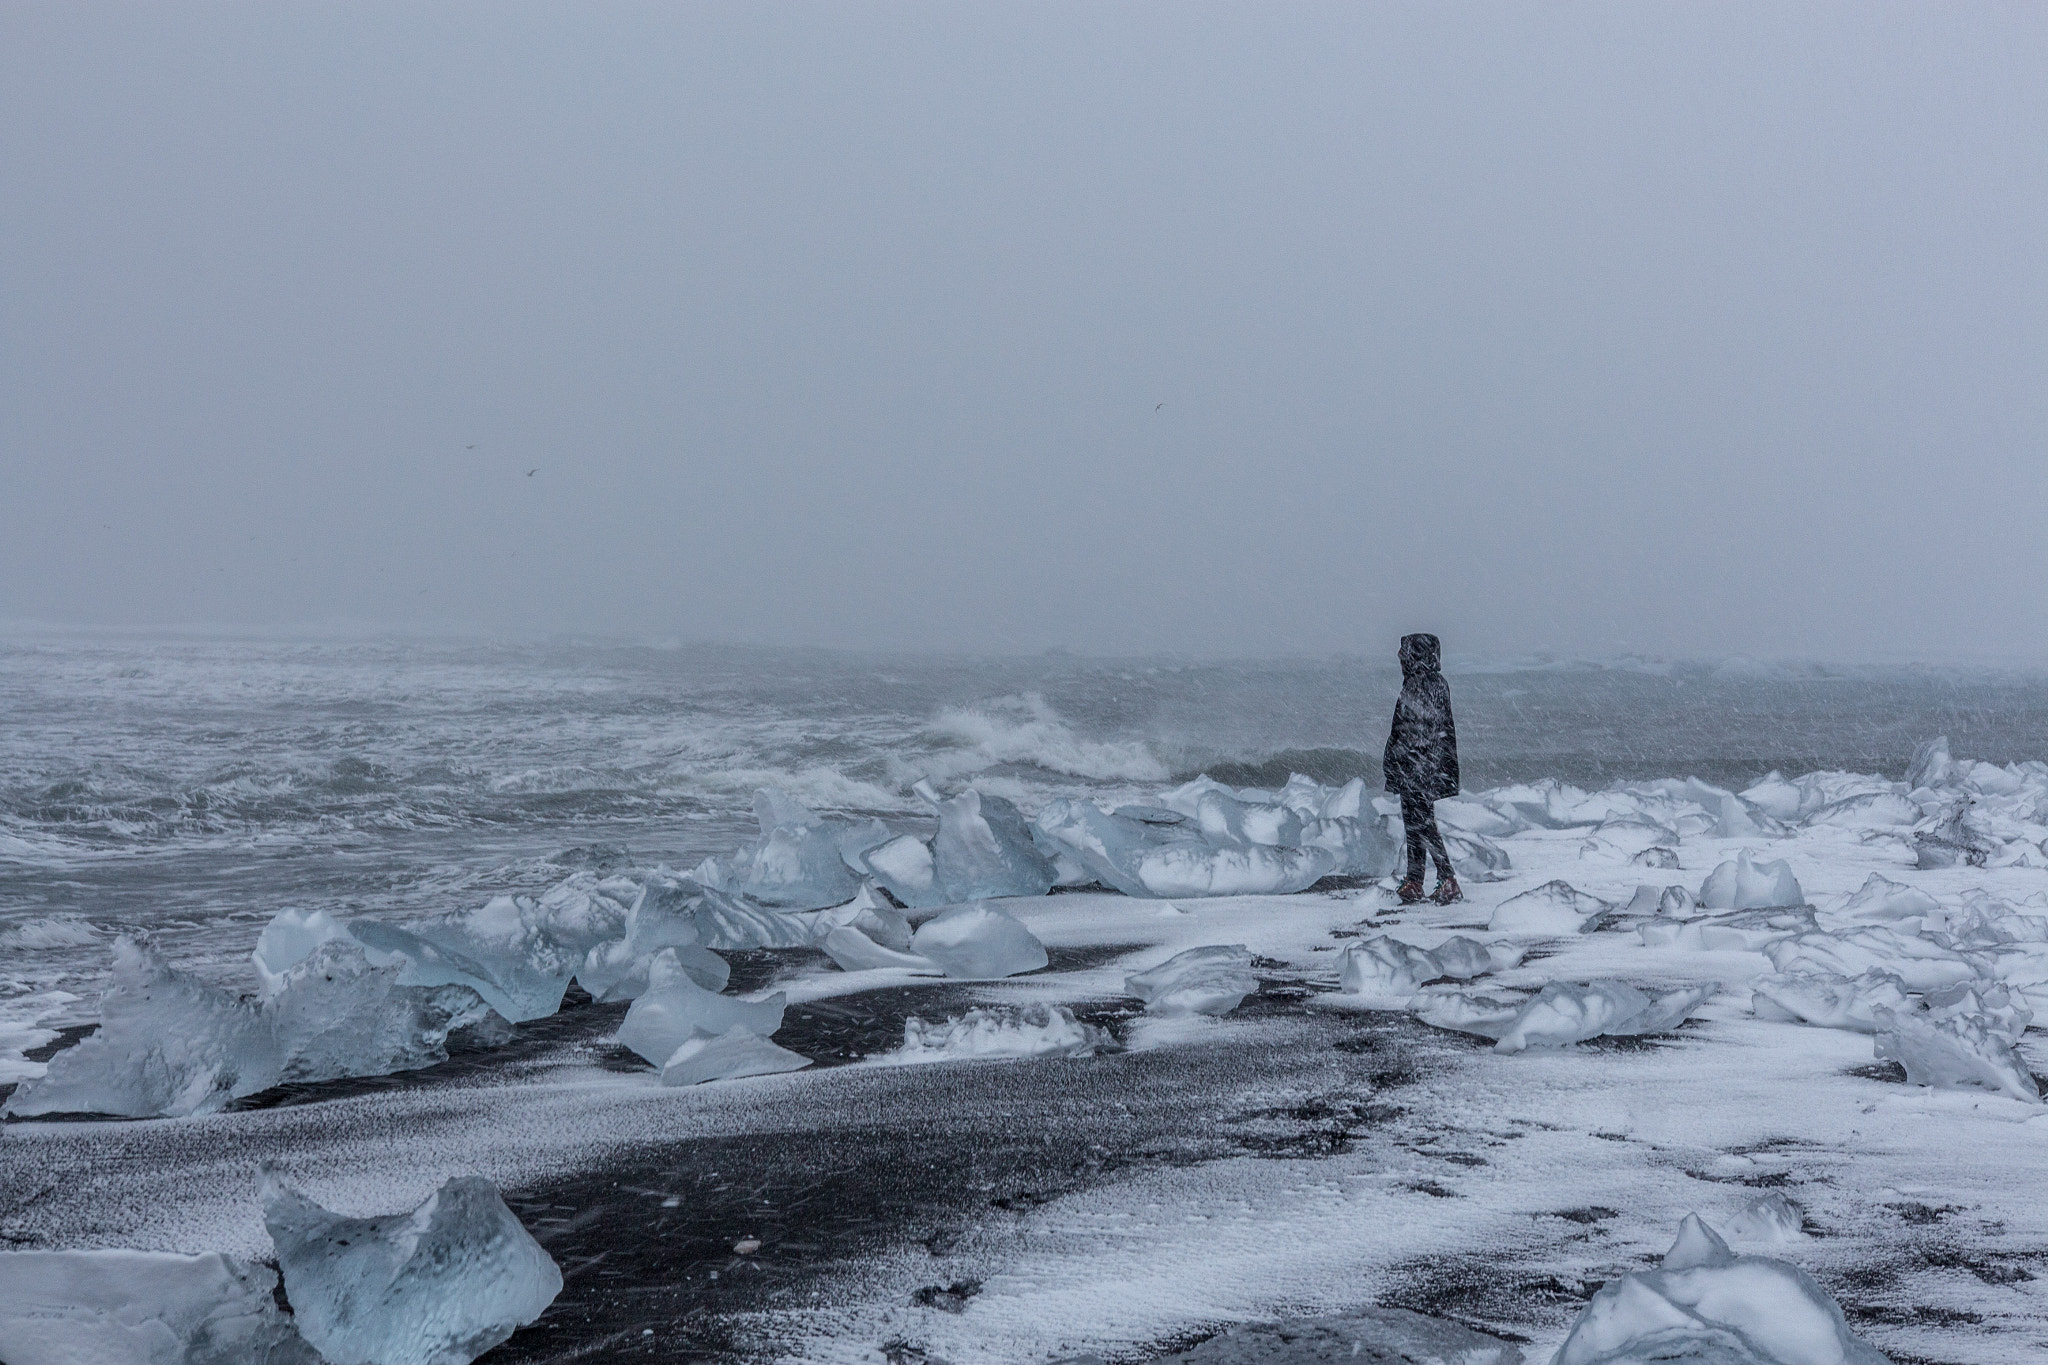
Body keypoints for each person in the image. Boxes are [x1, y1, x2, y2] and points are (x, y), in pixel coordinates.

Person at [1382, 633, 1462, 905]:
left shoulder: (1421, 685)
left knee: (1421, 825)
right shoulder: (1432, 682)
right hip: (1425, 767)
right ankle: (1416, 881)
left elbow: (1415, 733)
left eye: (1404, 651)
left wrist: (1402, 764)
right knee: (1417, 824)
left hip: (1417, 768)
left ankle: (1446, 879)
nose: (1399, 656)